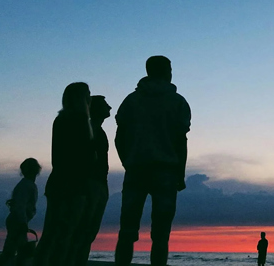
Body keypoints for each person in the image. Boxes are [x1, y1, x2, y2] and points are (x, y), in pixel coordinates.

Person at [114, 56, 191, 266]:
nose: (171, 73)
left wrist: (128, 162)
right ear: (166, 71)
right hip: (166, 172)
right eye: (170, 69)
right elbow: (181, 142)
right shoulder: (178, 102)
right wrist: (180, 174)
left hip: (136, 169)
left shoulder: (131, 100)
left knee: (127, 230)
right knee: (161, 234)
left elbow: (120, 138)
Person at [34, 82, 96, 266]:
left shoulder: (61, 120)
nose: (90, 98)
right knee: (66, 234)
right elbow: (85, 157)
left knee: (51, 233)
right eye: (88, 94)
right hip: (75, 184)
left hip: (59, 182)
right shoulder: (80, 120)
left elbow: (58, 157)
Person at [72, 95, 112, 266]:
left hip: (99, 183)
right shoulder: (88, 129)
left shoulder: (99, 131)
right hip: (91, 184)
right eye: (105, 105)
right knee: (84, 229)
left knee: (89, 231)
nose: (109, 107)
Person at [0, 158, 42, 266]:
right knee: (12, 252)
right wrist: (23, 222)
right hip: (18, 221)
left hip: (17, 220)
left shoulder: (25, 184)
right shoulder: (27, 185)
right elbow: (20, 206)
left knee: (17, 251)